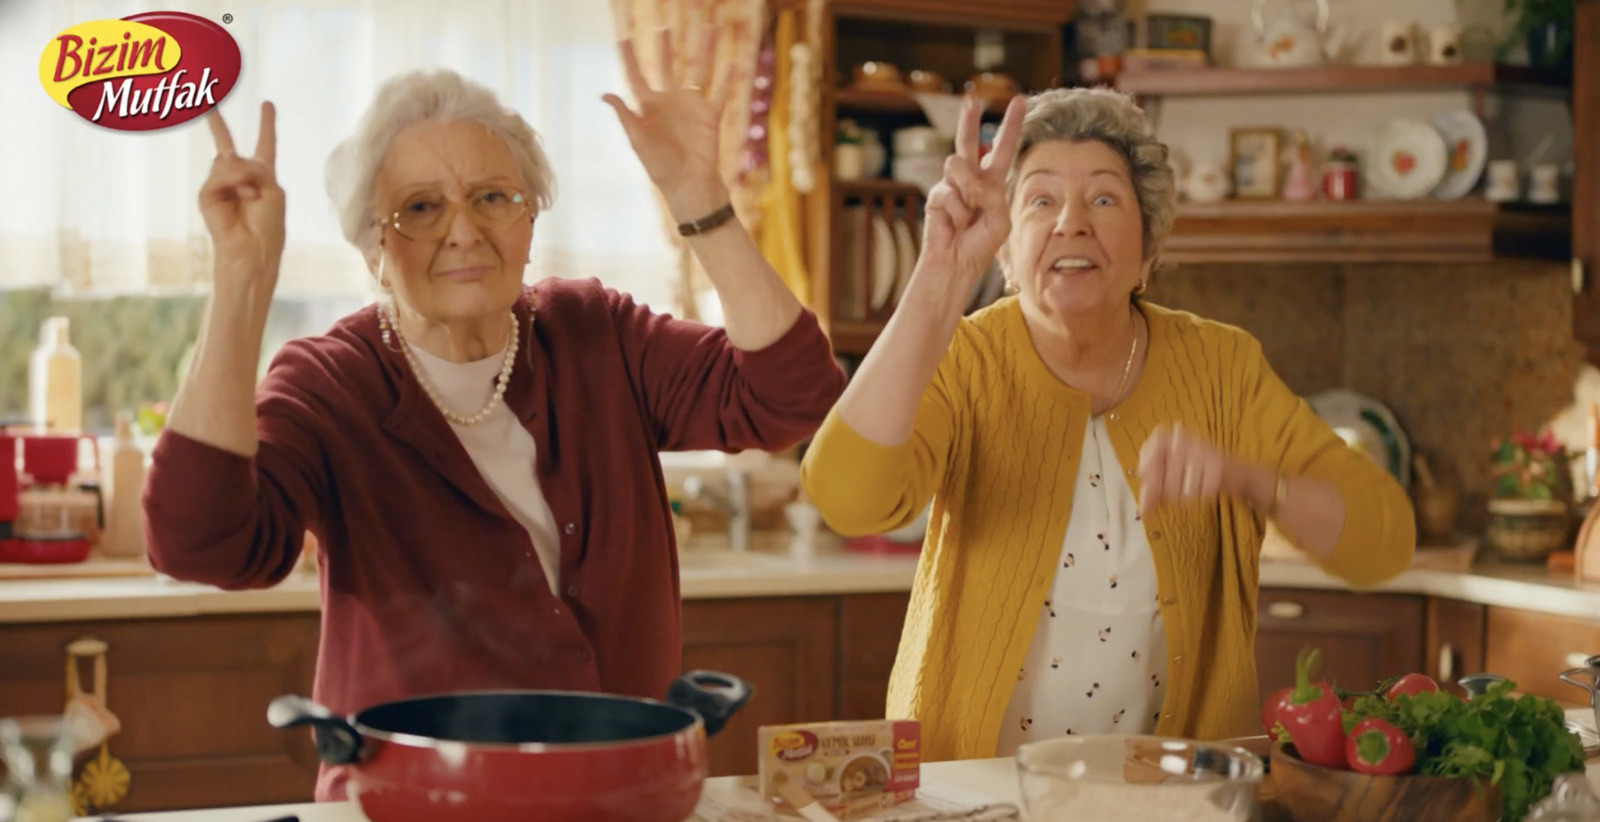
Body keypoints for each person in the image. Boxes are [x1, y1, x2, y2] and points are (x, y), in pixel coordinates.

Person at [143, 32, 846, 800]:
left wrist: (700, 203)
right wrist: (241, 281)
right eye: (421, 207)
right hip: (412, 800)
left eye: (493, 197)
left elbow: (795, 394)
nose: (464, 231)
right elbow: (200, 543)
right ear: (374, 246)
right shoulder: (329, 384)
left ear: (530, 220)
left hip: (616, 795)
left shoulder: (596, 331)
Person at [799, 87, 1414, 760]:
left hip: (1176, 798)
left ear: (1148, 249)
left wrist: (1252, 480)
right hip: (975, 794)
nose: (1071, 222)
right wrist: (940, 276)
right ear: (1004, 250)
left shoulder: (1222, 367)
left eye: (1103, 199)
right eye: (1039, 199)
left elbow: (1383, 540)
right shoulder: (965, 359)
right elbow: (846, 499)